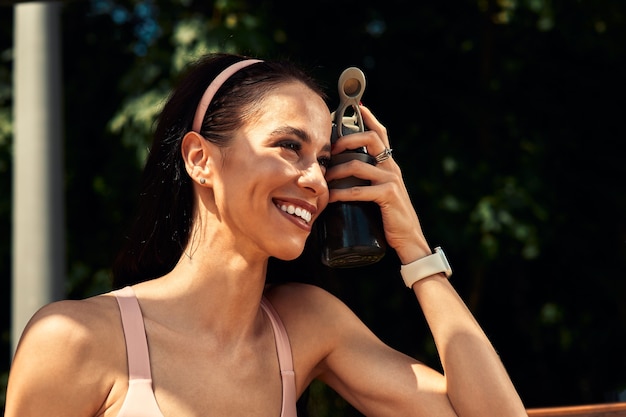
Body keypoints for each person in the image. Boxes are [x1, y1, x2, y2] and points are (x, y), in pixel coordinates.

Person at [5, 52, 527, 417]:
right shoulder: (72, 341)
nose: (317, 180)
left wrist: (412, 246)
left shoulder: (305, 326)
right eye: (287, 146)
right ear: (200, 159)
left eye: (323, 160)